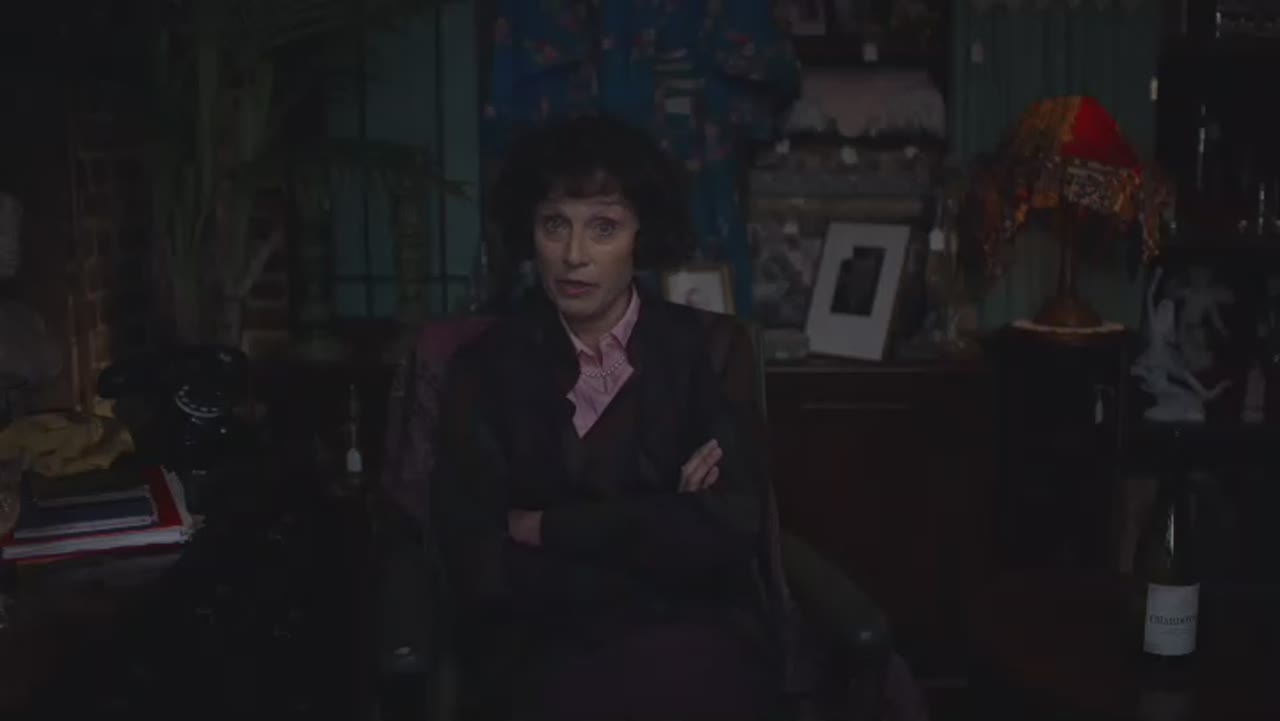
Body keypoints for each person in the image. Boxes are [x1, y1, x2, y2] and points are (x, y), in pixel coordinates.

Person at [433, 115, 777, 720]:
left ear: (642, 234)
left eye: (604, 227)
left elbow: (730, 529)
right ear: (530, 232)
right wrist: (657, 528)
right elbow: (479, 561)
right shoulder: (482, 370)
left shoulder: (707, 352)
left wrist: (551, 528)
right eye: (554, 224)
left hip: (690, 639)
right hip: (540, 647)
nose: (574, 255)